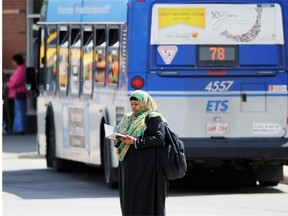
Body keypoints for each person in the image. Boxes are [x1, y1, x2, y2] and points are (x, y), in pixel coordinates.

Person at [116, 90, 168, 216]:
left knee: (143, 196)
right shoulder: (128, 118)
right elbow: (120, 132)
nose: (133, 107)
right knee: (129, 196)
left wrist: (135, 141)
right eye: (132, 104)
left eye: (136, 104)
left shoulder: (153, 118)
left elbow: (159, 138)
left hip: (146, 166)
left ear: (144, 103)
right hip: (129, 165)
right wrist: (118, 138)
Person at [5, 53, 28, 134]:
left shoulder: (19, 71)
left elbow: (15, 83)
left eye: (13, 61)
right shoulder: (21, 70)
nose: (12, 63)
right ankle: (18, 128)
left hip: (18, 92)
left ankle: (19, 129)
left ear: (16, 61)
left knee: (19, 111)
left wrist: (7, 84)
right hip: (19, 92)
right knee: (19, 111)